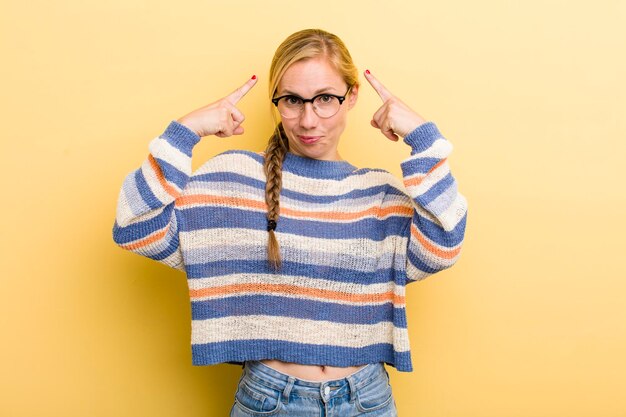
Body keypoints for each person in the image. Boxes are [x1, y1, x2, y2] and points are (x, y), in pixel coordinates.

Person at [113, 28, 467, 416]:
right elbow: (136, 226)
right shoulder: (235, 178)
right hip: (270, 400)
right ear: (275, 102)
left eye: (326, 99)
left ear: (352, 97)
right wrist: (184, 132)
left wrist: (424, 139)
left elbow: (442, 247)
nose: (308, 119)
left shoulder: (379, 193)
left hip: (367, 400)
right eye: (292, 101)